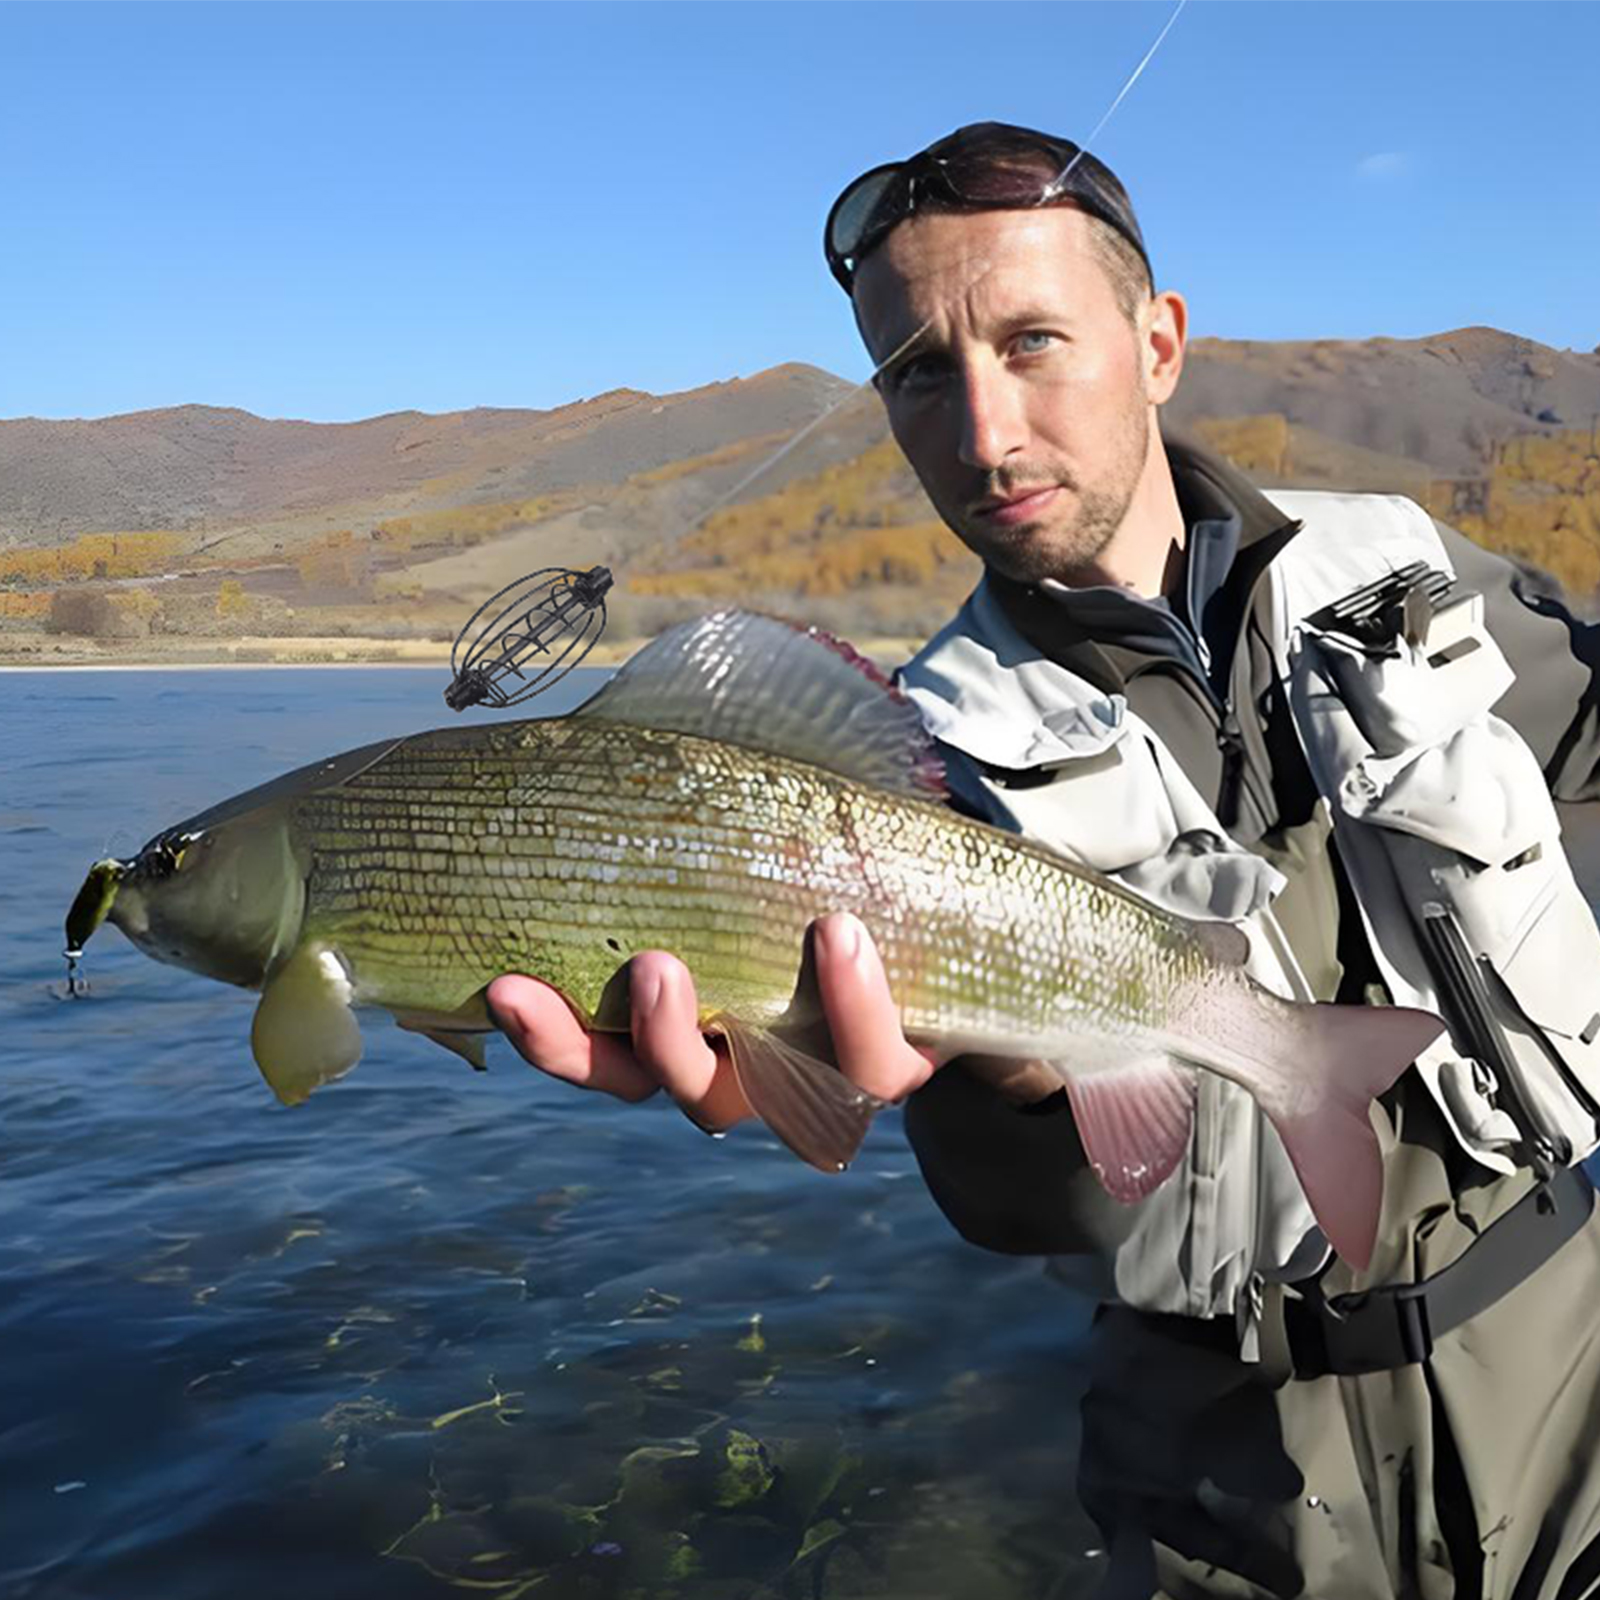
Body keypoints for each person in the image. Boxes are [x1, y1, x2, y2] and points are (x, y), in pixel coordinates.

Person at [487, 123, 1600, 1598]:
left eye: (1030, 343)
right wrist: (996, 1075)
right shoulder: (905, 760)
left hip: (1575, 1378)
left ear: (1159, 344)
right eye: (918, 375)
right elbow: (1029, 1210)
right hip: (1238, 1480)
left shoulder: (1405, 564)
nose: (984, 432)